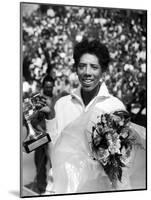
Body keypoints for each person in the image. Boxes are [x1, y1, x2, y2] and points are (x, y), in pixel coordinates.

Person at [39, 39, 145, 194]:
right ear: (76, 69)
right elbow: (54, 154)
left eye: (94, 67)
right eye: (82, 66)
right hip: (61, 190)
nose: (87, 72)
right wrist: (50, 119)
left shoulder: (115, 107)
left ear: (103, 71)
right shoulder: (62, 105)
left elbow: (122, 166)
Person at [25, 74, 55, 194]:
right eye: (47, 87)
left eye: (51, 87)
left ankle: (53, 188)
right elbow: (31, 119)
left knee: (54, 164)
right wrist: (41, 131)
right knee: (40, 163)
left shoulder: (56, 99)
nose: (49, 89)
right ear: (43, 86)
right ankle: (41, 188)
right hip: (40, 137)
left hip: (53, 137)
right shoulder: (38, 99)